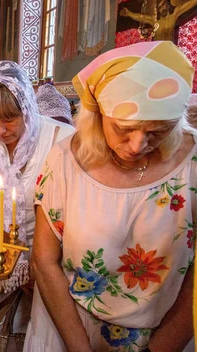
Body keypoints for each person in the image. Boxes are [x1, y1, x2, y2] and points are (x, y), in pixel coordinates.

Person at [26, 41, 196, 352]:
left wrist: (162, 347)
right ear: (98, 114)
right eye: (123, 129)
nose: (137, 145)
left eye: (157, 132)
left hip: (169, 332)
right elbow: (44, 260)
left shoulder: (192, 163)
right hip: (74, 328)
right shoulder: (65, 160)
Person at [0, 61, 75, 351]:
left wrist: (40, 263)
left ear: (26, 107)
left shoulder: (60, 139)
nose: (0, 130)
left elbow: (70, 210)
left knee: (43, 332)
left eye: (9, 118)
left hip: (51, 262)